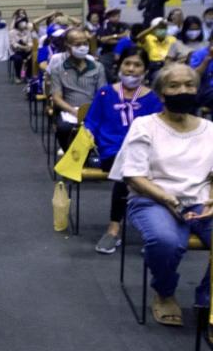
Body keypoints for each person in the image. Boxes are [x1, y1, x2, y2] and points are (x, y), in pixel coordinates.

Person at [108, 64, 213, 325]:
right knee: (165, 242)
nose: (183, 90)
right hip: (153, 200)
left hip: (201, 201)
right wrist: (168, 199)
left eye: (189, 85)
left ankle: (207, 298)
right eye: (174, 86)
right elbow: (133, 175)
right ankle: (164, 293)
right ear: (161, 94)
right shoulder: (145, 125)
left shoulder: (210, 129)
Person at [85, 48, 163, 255]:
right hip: (111, 152)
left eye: (137, 65)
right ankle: (116, 228)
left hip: (145, 154)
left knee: (137, 170)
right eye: (128, 63)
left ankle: (151, 229)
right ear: (119, 66)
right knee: (127, 170)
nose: (131, 69)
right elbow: (91, 122)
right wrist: (88, 135)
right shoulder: (105, 93)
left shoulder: (154, 98)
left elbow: (159, 129)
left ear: (145, 70)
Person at [49, 29, 106, 152]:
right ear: (68, 46)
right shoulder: (58, 69)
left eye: (85, 43)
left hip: (93, 108)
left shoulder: (98, 67)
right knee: (64, 128)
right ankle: (70, 155)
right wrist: (75, 112)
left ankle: (91, 156)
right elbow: (57, 98)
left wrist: (92, 110)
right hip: (70, 110)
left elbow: (102, 93)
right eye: (77, 44)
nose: (82, 47)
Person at [190, 33, 213, 110]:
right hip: (203, 91)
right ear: (210, 40)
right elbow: (193, 76)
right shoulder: (199, 54)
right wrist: (206, 61)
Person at [9, 17, 33, 82]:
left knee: (31, 58)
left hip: (26, 51)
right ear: (17, 23)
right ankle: (18, 76)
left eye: (24, 21)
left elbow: (30, 42)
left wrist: (28, 46)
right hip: (16, 52)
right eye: (22, 22)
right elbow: (14, 44)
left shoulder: (27, 32)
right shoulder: (12, 32)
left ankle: (26, 75)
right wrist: (24, 47)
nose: (24, 23)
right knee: (18, 59)